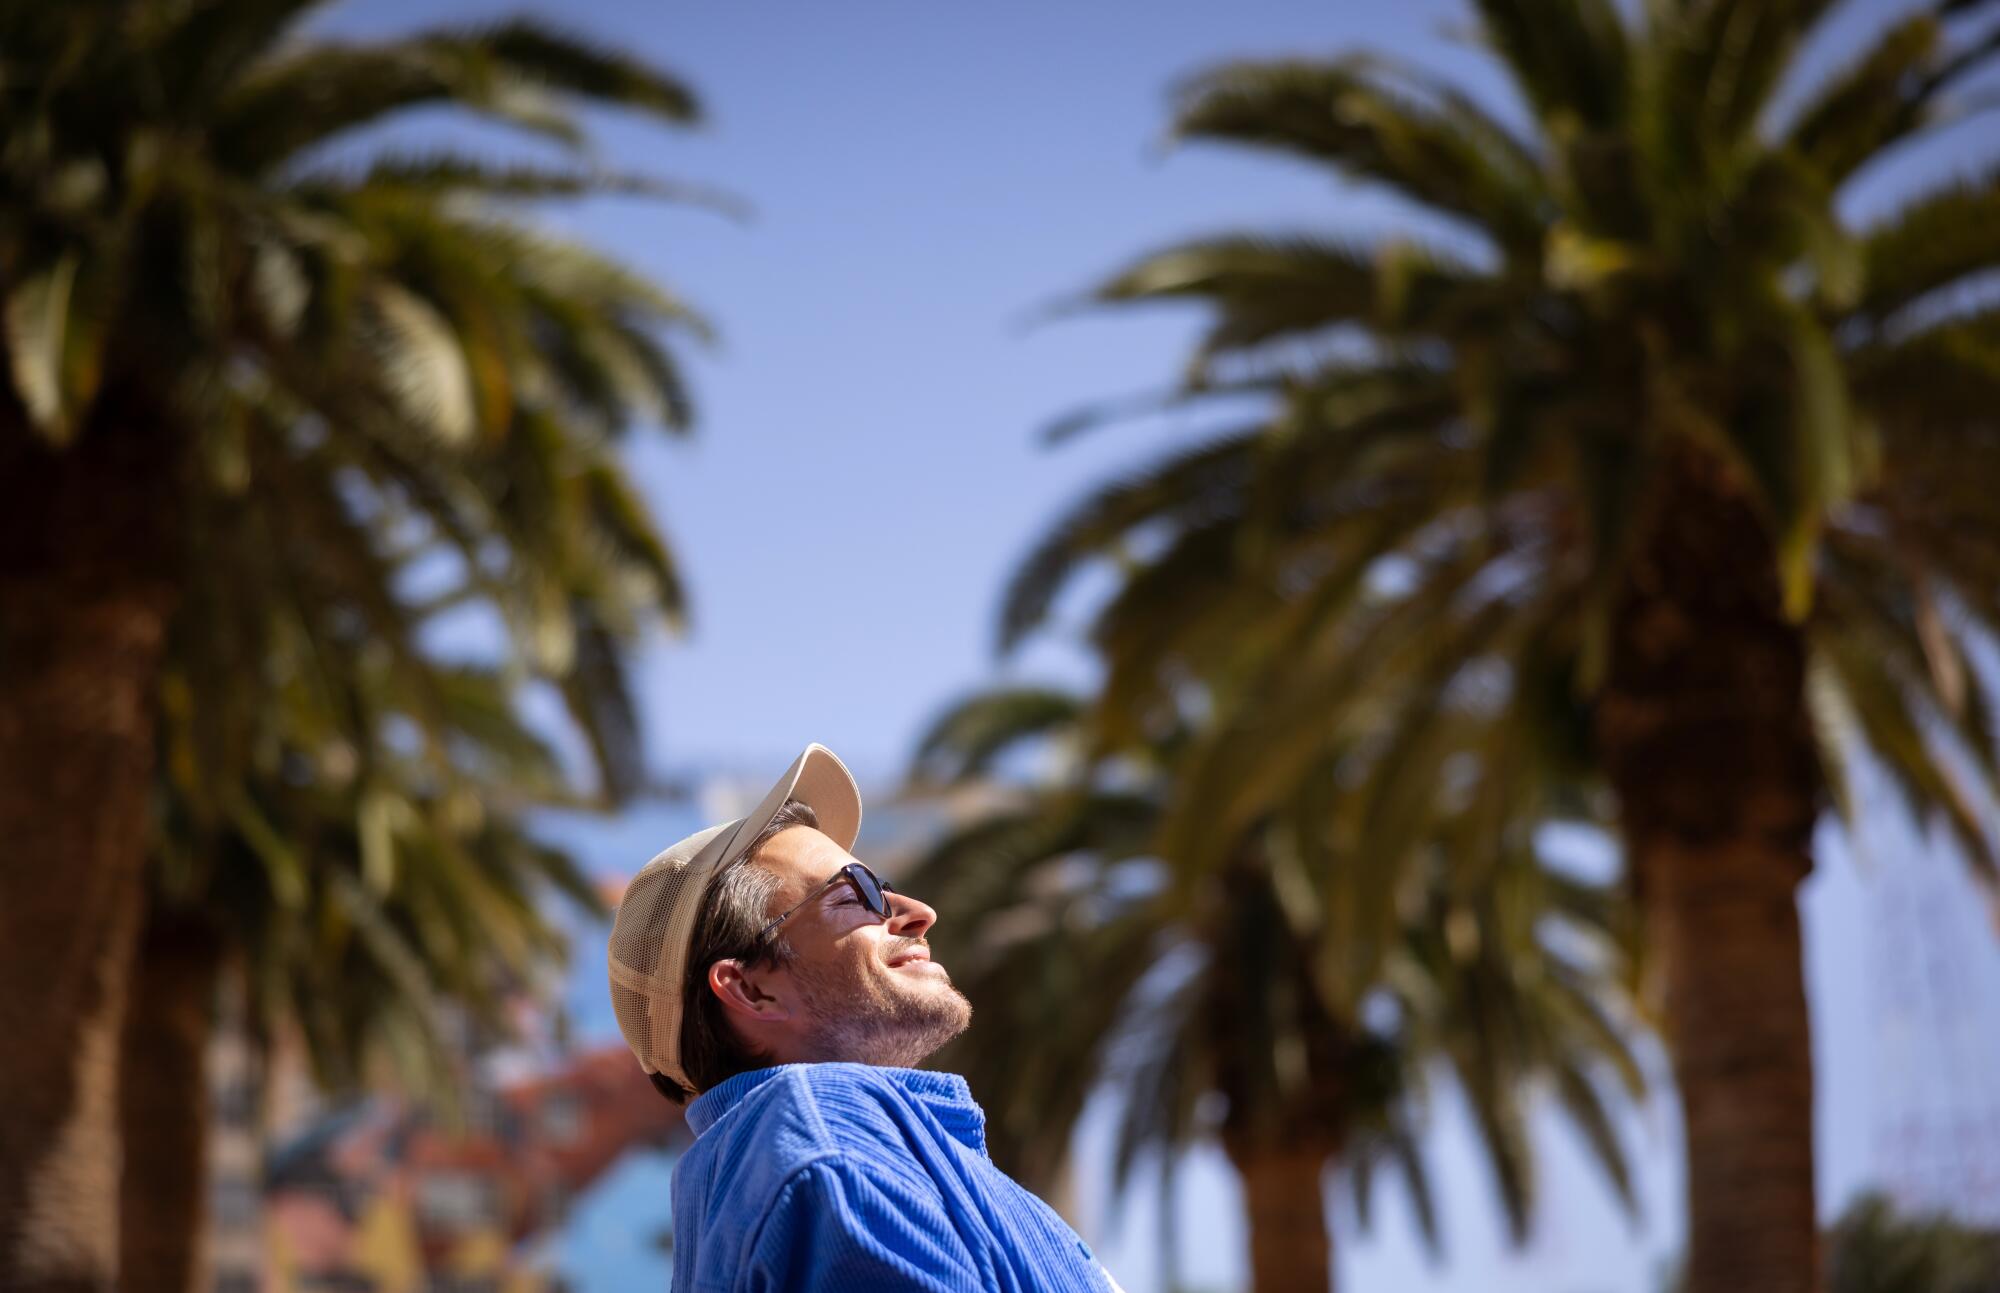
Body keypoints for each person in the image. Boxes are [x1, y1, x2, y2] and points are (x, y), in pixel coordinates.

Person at [608, 742, 1127, 1292]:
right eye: (858, 894)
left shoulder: (805, 1160)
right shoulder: (827, 1150)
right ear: (752, 989)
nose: (919, 914)